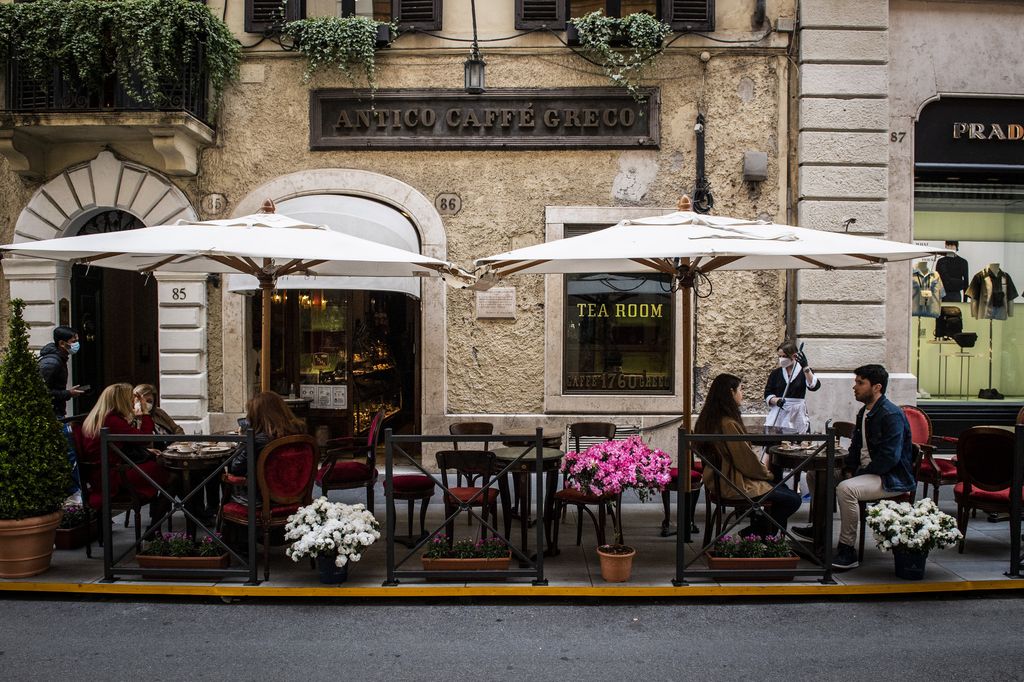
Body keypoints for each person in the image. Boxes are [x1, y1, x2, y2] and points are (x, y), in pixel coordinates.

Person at [797, 365, 915, 571]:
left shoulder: (891, 414)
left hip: (889, 477)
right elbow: (856, 447)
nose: (855, 387)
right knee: (815, 475)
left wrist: (857, 473)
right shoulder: (864, 412)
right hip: (866, 472)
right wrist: (849, 468)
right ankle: (819, 530)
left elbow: (890, 457)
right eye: (856, 382)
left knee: (846, 489)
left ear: (877, 387)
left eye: (860, 383)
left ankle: (846, 549)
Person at [695, 373, 802, 537]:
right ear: (731, 392)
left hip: (720, 480)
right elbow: (746, 462)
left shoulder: (707, 419)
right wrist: (767, 474)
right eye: (741, 389)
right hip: (733, 483)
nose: (742, 394)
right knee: (793, 499)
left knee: (784, 490)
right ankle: (753, 536)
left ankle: (762, 535)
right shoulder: (728, 423)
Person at [80, 383, 171, 515]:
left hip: (101, 473)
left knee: (165, 471)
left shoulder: (99, 417)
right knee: (169, 474)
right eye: (132, 398)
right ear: (122, 400)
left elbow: (120, 444)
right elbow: (145, 439)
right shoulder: (112, 420)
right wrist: (145, 414)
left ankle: (158, 522)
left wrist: (146, 451)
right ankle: (157, 524)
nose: (133, 402)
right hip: (113, 475)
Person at [227, 392, 306, 503]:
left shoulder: (258, 440)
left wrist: (243, 440)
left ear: (257, 416)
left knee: (216, 472)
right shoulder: (299, 433)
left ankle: (208, 514)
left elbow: (236, 468)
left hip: (259, 499)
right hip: (295, 495)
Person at [764, 340, 819, 434]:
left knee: (798, 442)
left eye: (784, 356)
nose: (781, 359)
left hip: (797, 413)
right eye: (779, 356)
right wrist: (776, 400)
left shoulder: (803, 372)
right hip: (780, 412)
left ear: (794, 356)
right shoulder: (775, 373)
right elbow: (767, 393)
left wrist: (806, 367)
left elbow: (814, 386)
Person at [38, 325, 84, 419]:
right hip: (50, 414)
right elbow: (41, 391)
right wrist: (68, 393)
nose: (76, 344)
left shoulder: (60, 359)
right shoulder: (51, 363)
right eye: (73, 342)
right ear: (62, 343)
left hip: (56, 411)